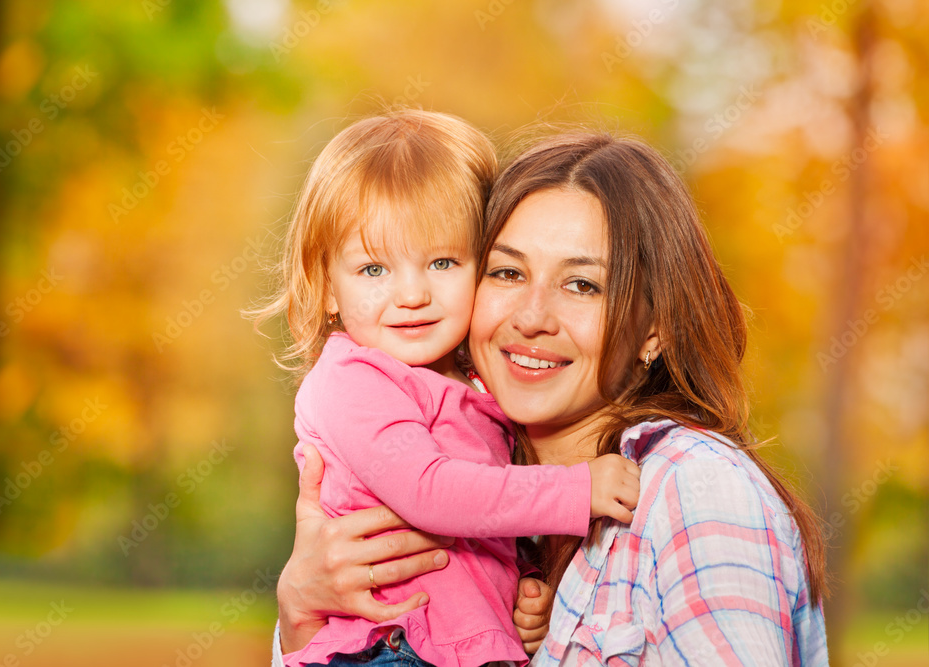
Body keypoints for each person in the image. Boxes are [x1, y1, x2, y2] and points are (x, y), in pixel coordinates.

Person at [272, 129, 830, 666]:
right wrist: (300, 616)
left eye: (582, 284)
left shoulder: (696, 490)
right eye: (509, 272)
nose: (532, 318)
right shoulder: (489, 468)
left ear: (653, 328)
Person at [255, 110, 642, 667]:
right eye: (372, 269)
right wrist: (575, 491)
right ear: (326, 288)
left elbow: (482, 519)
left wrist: (521, 581)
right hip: (391, 650)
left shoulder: (476, 386)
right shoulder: (353, 380)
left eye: (441, 261)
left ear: (482, 266)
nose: (411, 293)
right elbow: (432, 494)